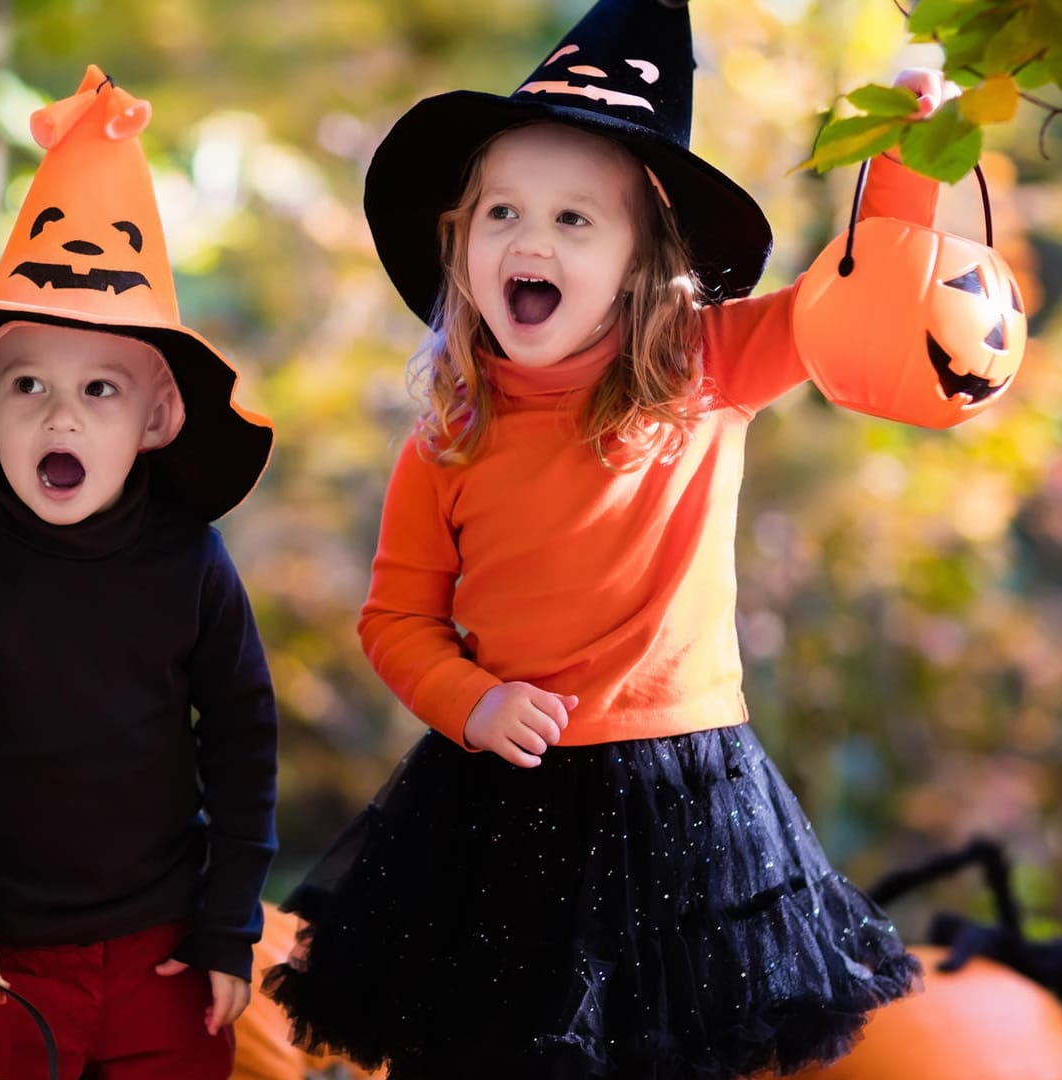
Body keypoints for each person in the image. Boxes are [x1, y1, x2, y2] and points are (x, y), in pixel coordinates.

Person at [265, 2, 953, 1077]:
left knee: (669, 1054)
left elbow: (862, 294)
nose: (530, 240)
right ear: (459, 241)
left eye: (575, 220)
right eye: (502, 213)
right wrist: (473, 701)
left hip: (687, 803)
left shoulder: (706, 368)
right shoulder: (449, 441)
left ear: (644, 258)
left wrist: (916, 146)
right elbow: (395, 618)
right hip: (503, 801)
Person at [0, 65, 278, 1079]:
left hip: (160, 955)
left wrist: (227, 925)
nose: (61, 415)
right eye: (29, 384)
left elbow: (240, 738)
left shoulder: (191, 561)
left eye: (100, 388)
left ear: (157, 418)